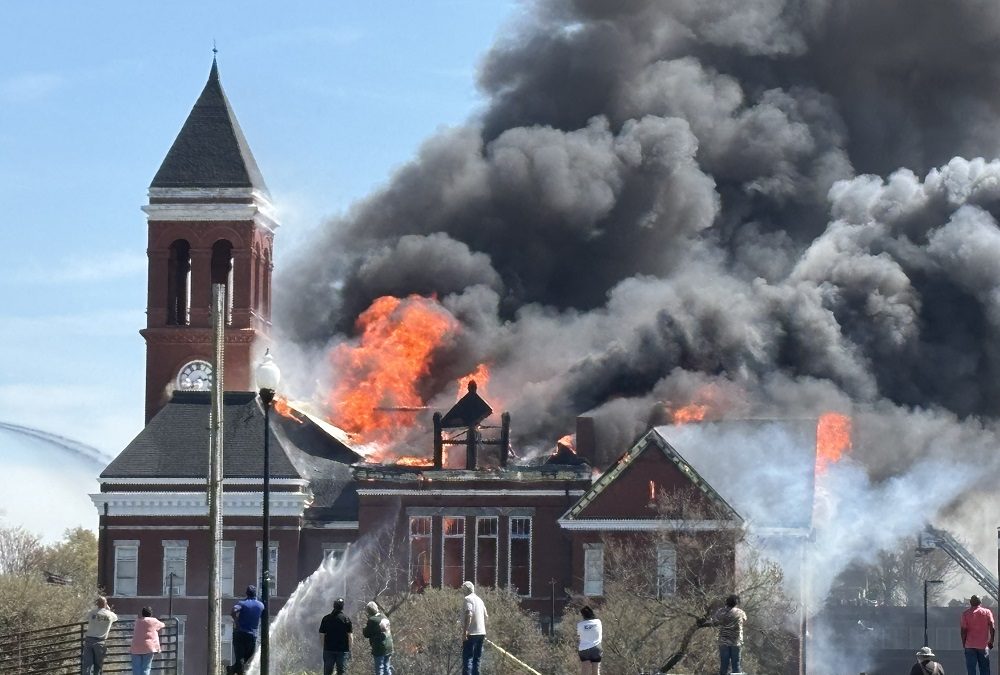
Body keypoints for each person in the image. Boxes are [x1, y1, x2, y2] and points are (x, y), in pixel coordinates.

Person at [703, 593, 747, 675]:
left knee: (724, 664)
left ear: (727, 602)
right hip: (736, 641)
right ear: (736, 603)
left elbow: (714, 620)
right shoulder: (741, 612)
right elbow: (744, 620)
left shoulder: (721, 611)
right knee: (736, 664)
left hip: (723, 641)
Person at [228, 585, 265, 675]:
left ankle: (232, 670)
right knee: (247, 657)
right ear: (255, 594)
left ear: (246, 593)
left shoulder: (242, 603)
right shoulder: (260, 605)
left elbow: (233, 610)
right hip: (252, 636)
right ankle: (233, 670)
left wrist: (236, 620)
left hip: (239, 634)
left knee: (240, 659)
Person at [82, 596, 118, 675]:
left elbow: (85, 617)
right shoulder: (110, 615)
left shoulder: (92, 612)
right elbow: (116, 618)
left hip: (89, 640)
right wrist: (107, 609)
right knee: (98, 666)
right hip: (100, 642)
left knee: (87, 665)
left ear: (97, 604)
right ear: (106, 604)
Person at [961, 594, 995, 675]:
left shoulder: (965, 614)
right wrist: (991, 641)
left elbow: (963, 630)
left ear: (970, 602)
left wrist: (964, 643)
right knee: (985, 670)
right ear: (980, 602)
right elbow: (992, 627)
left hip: (969, 645)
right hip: (983, 645)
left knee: (971, 670)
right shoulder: (987, 612)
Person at [319, 597, 353, 675]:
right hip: (342, 650)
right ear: (343, 607)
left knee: (327, 672)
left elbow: (321, 635)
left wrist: (324, 646)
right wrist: (349, 649)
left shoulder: (326, 618)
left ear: (334, 606)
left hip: (329, 649)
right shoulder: (346, 619)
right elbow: (350, 636)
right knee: (341, 672)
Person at [461, 581, 488, 675]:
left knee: (468, 658)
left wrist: (465, 632)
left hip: (471, 634)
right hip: (481, 633)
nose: (462, 591)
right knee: (477, 659)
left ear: (466, 589)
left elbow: (469, 614)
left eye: (463, 589)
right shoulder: (480, 600)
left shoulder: (468, 599)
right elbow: (486, 616)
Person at [130, 607, 165, 675]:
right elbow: (162, 625)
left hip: (136, 647)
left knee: (136, 668)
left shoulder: (138, 621)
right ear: (151, 613)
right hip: (149, 647)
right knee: (146, 668)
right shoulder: (153, 621)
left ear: (142, 614)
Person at [362, 601, 394, 675]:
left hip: (380, 647)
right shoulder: (383, 616)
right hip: (389, 646)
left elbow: (366, 634)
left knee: (379, 669)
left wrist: (364, 627)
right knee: (387, 667)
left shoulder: (372, 620)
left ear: (369, 611)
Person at [576, 605, 603, 675]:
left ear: (583, 615)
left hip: (584, 648)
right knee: (596, 670)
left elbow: (579, 636)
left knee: (585, 670)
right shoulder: (598, 622)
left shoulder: (580, 625)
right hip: (596, 648)